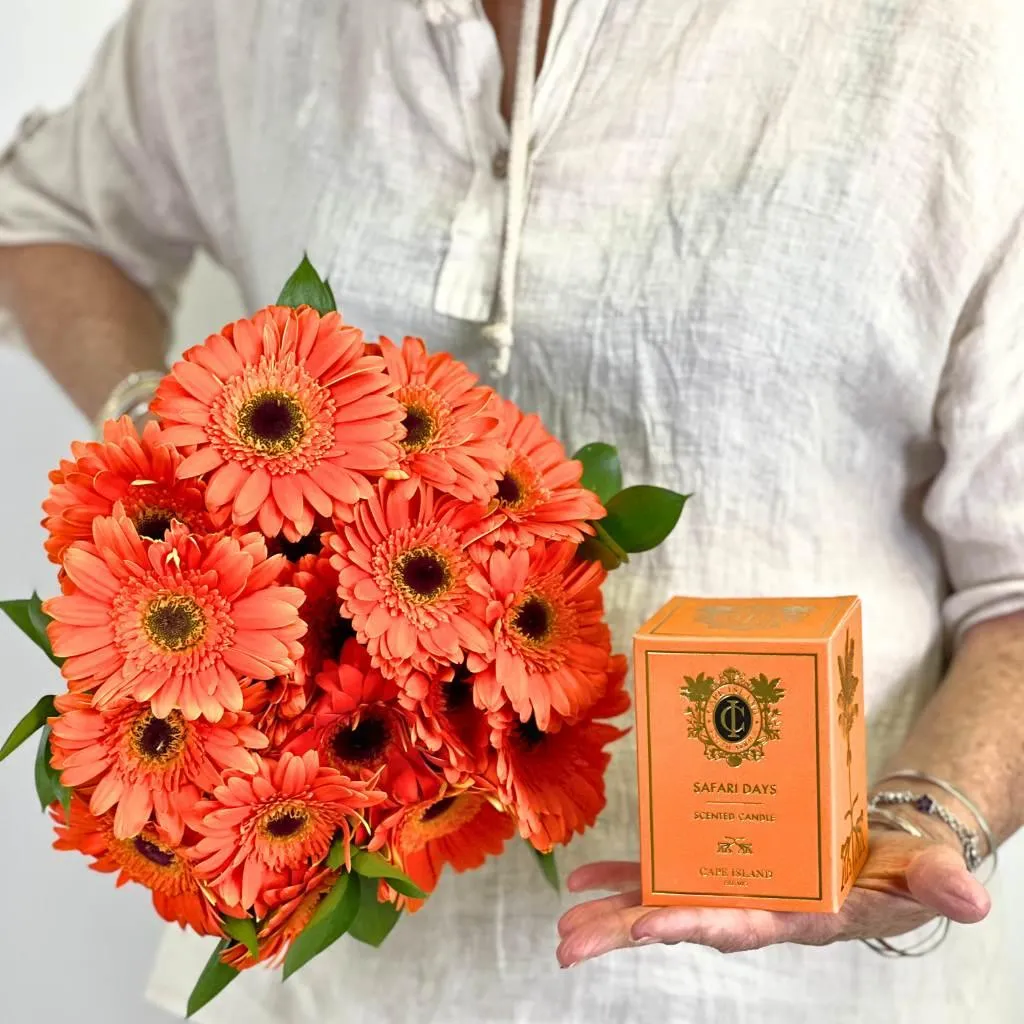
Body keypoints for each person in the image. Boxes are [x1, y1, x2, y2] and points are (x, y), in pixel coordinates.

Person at [1, 1, 1022, 1021]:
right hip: (329, 988)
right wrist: (163, 456)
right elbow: (47, 215)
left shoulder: (954, 48)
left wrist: (924, 818)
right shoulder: (236, 19)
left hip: (774, 991)